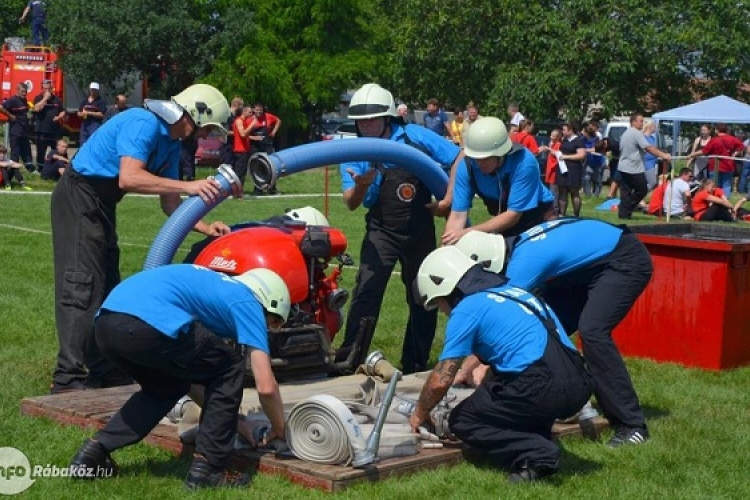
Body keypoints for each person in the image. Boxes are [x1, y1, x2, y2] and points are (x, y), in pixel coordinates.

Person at [50, 83, 236, 395]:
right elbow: (130, 177)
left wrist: (204, 227)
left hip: (102, 204)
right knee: (81, 285)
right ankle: (67, 377)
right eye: (207, 128)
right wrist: (189, 186)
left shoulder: (172, 144)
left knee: (107, 284)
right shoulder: (143, 122)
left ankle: (104, 370)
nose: (205, 136)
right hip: (79, 195)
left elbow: (170, 204)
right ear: (194, 114)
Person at [68, 265, 290, 489]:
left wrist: (238, 425)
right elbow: (266, 386)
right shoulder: (247, 301)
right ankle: (209, 470)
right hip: (146, 323)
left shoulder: (217, 289)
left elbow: (191, 377)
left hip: (106, 325)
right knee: (230, 366)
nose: (267, 330)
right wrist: (282, 431)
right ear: (268, 303)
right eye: (272, 323)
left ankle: (93, 453)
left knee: (167, 387)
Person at [453, 218, 654, 448]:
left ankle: (632, 426)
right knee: (548, 318)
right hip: (587, 269)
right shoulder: (515, 246)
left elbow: (501, 320)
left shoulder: (523, 264)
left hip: (624, 260)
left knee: (592, 331)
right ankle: (553, 395)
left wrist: (466, 367)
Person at [409, 246, 593, 483]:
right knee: (498, 386)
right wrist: (470, 373)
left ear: (444, 287)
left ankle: (538, 454)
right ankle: (537, 437)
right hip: (579, 382)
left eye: (439, 303)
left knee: (464, 420)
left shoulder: (467, 309)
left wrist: (419, 414)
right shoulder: (514, 292)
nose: (443, 311)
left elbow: (440, 382)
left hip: (543, 385)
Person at [336, 83, 463, 374]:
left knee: (424, 296)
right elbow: (351, 203)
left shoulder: (414, 137)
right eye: (361, 120)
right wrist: (360, 188)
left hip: (419, 229)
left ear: (388, 117)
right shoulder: (353, 150)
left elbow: (459, 157)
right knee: (367, 292)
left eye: (372, 119)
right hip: (382, 230)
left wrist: (449, 197)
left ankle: (415, 363)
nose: (366, 126)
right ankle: (350, 360)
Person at [442, 117, 554, 243]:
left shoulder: (524, 162)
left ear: (501, 153)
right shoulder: (467, 167)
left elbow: (513, 215)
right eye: (475, 156)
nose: (479, 163)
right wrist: (445, 250)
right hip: (504, 223)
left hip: (539, 220)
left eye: (485, 158)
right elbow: (457, 216)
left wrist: (469, 232)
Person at [617, 112, 671, 220]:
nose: (643, 123)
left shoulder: (626, 133)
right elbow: (648, 148)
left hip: (623, 167)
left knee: (626, 191)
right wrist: (663, 155)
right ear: (633, 122)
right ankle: (626, 208)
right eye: (641, 121)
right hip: (633, 168)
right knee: (642, 189)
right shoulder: (636, 133)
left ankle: (624, 214)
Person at [687, 123, 744, 194]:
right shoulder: (732, 139)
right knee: (727, 186)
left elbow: (704, 151)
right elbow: (741, 146)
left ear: (717, 130)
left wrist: (692, 154)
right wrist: (734, 155)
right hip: (728, 165)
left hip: (715, 166)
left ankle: (715, 202)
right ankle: (724, 203)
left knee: (714, 186)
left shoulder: (714, 140)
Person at [0, 83, 34, 175]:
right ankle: (14, 172)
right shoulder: (13, 100)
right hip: (15, 131)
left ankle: (30, 169)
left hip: (24, 130)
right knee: (15, 152)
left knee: (27, 150)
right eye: (22, 91)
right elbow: (1, 107)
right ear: (17, 90)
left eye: (25, 92)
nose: (24, 93)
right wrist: (10, 115)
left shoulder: (24, 100)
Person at [554, 122, 586, 217]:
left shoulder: (578, 141)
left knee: (574, 192)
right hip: (562, 169)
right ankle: (562, 214)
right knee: (562, 192)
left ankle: (576, 214)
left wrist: (566, 157)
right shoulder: (564, 140)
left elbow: (581, 155)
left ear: (570, 130)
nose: (562, 132)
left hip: (574, 170)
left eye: (564, 130)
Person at [33, 80, 65, 170]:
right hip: (41, 130)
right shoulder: (38, 98)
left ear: (52, 89)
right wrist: (45, 99)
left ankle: (56, 167)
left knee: (56, 150)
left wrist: (59, 117)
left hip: (54, 131)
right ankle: (40, 169)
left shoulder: (57, 99)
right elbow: (37, 109)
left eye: (49, 88)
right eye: (45, 88)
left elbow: (62, 111)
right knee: (41, 151)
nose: (47, 90)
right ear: (42, 89)